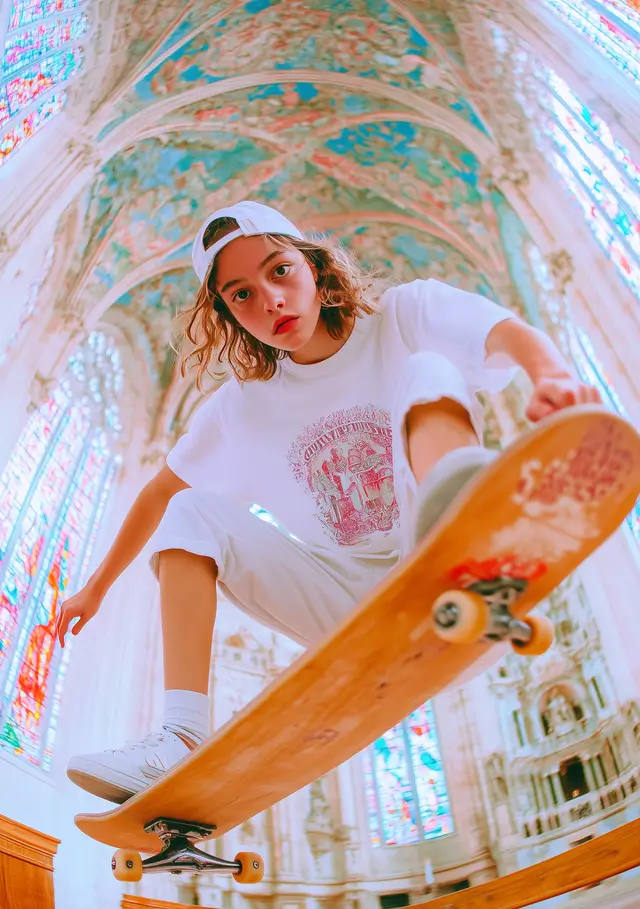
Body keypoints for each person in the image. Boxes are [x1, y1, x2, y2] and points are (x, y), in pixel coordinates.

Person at [57, 200, 600, 803]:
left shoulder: (403, 314)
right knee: (191, 512)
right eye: (240, 295)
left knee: (427, 369)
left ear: (312, 264)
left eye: (279, 270)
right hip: (357, 611)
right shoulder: (243, 408)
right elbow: (159, 493)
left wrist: (550, 375)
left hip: (455, 573)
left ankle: (465, 542)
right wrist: (96, 588)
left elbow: (503, 331)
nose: (269, 300)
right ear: (228, 316)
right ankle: (181, 735)